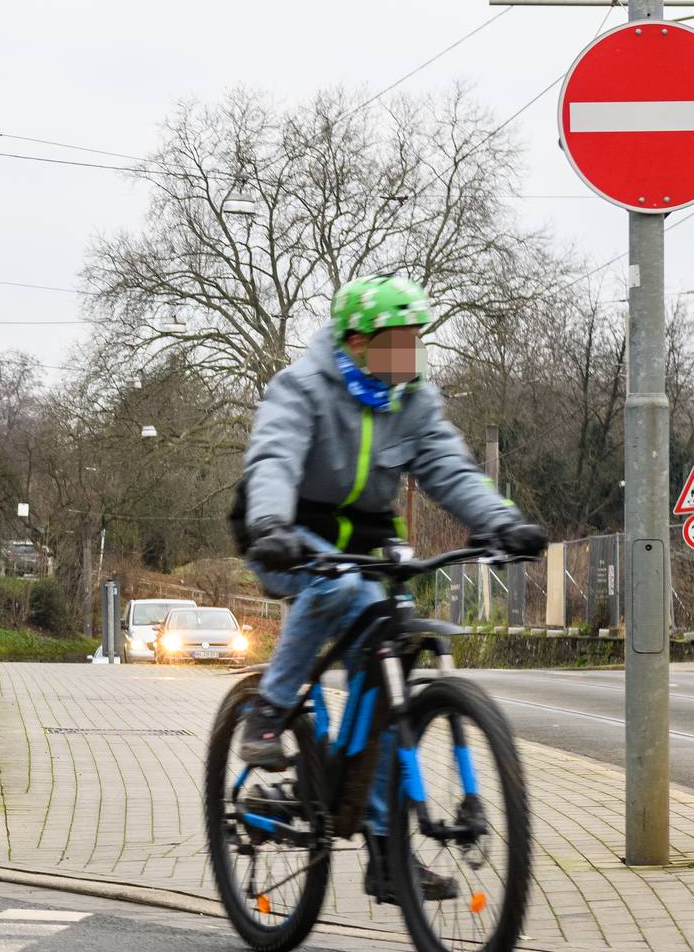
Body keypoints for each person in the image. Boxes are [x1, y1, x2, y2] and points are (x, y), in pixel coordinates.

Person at [228, 275, 548, 900]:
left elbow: (449, 470)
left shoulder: (414, 402)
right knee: (335, 587)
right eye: (396, 342)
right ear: (355, 341)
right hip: (284, 533)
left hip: (366, 545)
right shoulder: (302, 387)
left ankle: (384, 851)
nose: (410, 355)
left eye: (415, 341)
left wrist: (501, 522)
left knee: (387, 667)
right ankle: (268, 711)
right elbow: (273, 458)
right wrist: (269, 523)